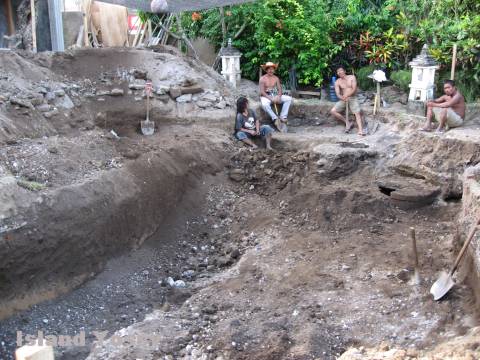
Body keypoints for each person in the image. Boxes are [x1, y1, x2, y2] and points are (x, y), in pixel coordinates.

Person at [330, 66, 366, 136]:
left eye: (341, 70)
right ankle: (347, 123)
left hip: (353, 98)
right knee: (333, 111)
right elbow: (337, 94)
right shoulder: (337, 82)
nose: (339, 72)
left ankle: (360, 130)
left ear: (344, 71)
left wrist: (347, 95)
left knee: (357, 112)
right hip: (344, 99)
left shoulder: (352, 77)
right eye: (338, 72)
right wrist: (342, 98)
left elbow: (354, 89)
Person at [259, 62, 292, 132]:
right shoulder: (262, 78)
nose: (271, 71)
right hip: (265, 96)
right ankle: (275, 118)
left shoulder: (276, 78)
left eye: (272, 69)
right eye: (269, 69)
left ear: (274, 70)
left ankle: (283, 116)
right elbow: (262, 92)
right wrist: (271, 98)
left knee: (288, 99)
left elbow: (280, 89)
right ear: (266, 70)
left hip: (275, 95)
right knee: (265, 104)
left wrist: (279, 97)